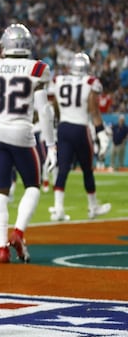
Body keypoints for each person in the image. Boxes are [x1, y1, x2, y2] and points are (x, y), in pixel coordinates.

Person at [0, 23, 57, 264]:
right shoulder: (37, 68)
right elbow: (45, 112)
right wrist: (51, 145)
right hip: (22, 133)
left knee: (0, 191)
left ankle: (1, 249)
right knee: (32, 185)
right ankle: (17, 233)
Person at [46, 52, 111, 221]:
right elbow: (93, 110)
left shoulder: (58, 80)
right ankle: (92, 207)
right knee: (87, 170)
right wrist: (101, 133)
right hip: (80, 129)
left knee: (62, 169)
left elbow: (54, 106)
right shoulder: (90, 82)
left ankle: (58, 209)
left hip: (63, 127)